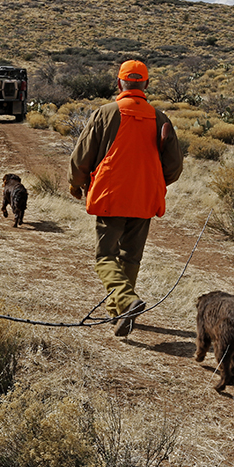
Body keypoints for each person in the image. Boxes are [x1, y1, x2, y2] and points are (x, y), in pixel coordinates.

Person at [68, 60, 184, 336]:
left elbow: (81, 156)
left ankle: (127, 302)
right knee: (131, 257)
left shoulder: (105, 113)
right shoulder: (160, 118)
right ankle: (119, 314)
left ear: (119, 83)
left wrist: (76, 183)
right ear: (145, 84)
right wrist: (152, 182)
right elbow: (175, 167)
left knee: (105, 256)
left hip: (111, 195)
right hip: (144, 198)